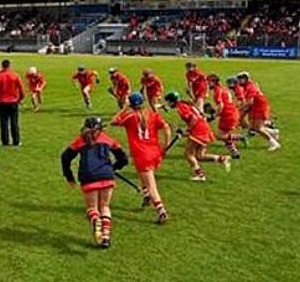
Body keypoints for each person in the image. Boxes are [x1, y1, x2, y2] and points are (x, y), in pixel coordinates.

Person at [61, 117, 129, 247]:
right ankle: (105, 237)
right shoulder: (107, 138)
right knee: (105, 206)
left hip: (88, 177)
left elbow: (65, 157)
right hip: (107, 175)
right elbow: (124, 158)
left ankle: (95, 220)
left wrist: (69, 176)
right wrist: (113, 167)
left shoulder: (80, 140)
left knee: (92, 208)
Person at [110, 93, 171, 224]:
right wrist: (165, 144)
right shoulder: (153, 115)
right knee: (142, 174)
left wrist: (124, 108)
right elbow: (166, 127)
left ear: (131, 104)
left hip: (142, 154)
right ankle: (146, 195)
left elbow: (113, 121)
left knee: (151, 185)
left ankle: (161, 211)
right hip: (154, 152)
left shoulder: (130, 117)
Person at [164, 91, 231, 181]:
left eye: (168, 102)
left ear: (172, 101)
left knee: (188, 154)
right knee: (200, 156)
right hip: (204, 127)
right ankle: (222, 159)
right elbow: (200, 116)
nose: (168, 104)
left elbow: (193, 119)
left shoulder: (181, 107)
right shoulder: (186, 104)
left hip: (199, 130)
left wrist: (187, 130)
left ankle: (200, 175)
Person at [236, 72, 281, 151]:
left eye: (241, 79)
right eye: (239, 79)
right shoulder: (248, 86)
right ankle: (274, 132)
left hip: (259, 106)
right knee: (253, 127)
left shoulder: (250, 87)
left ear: (246, 79)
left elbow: (250, 102)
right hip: (256, 105)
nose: (239, 81)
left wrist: (239, 109)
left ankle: (274, 143)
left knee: (258, 128)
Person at [207, 74, 247, 158]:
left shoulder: (217, 91)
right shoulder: (223, 88)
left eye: (209, 82)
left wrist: (213, 116)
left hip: (228, 115)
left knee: (219, 135)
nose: (207, 84)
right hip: (230, 113)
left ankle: (240, 137)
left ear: (214, 82)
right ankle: (234, 153)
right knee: (224, 135)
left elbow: (221, 106)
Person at [0, 59, 25, 146]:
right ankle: (16, 141)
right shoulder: (15, 75)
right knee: (14, 123)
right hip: (13, 102)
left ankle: (5, 141)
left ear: (2, 66)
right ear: (9, 66)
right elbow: (21, 89)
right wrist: (20, 99)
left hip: (2, 102)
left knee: (3, 123)